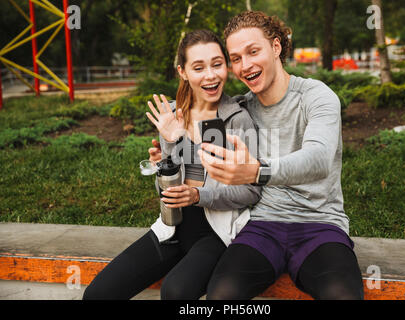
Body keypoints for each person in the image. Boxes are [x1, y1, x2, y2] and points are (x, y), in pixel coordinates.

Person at [196, 11, 365, 300]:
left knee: (343, 296)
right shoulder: (241, 111)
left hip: (319, 224)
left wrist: (256, 171)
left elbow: (318, 159)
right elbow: (195, 116)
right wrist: (171, 144)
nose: (245, 65)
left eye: (253, 52)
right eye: (236, 58)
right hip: (261, 227)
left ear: (276, 47)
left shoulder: (317, 96)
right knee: (221, 296)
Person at [82, 29, 260, 300]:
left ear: (226, 65)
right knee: (99, 294)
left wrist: (196, 191)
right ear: (183, 72)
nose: (210, 75)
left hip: (214, 233)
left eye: (217, 64)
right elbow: (165, 190)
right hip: (171, 226)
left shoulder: (235, 119)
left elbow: (250, 191)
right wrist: (162, 169)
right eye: (198, 67)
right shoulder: (173, 114)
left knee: (175, 292)